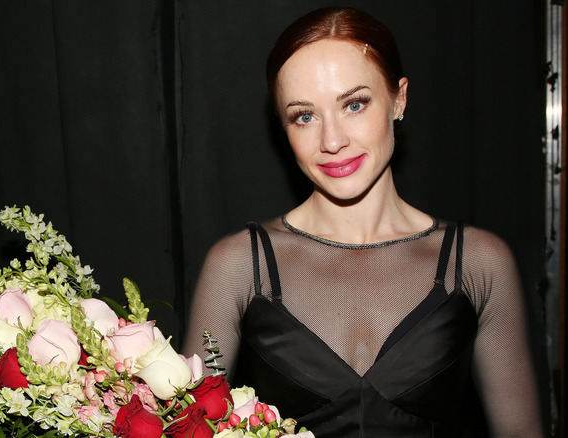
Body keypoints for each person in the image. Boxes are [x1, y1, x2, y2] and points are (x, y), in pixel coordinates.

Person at [182, 6, 544, 437]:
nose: (332, 141)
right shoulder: (239, 265)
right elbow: (191, 426)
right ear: (283, 127)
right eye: (304, 116)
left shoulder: (479, 263)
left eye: (354, 104)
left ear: (399, 98)